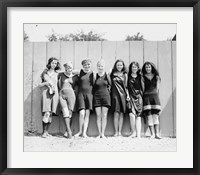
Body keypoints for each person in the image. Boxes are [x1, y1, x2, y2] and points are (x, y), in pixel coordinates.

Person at [39, 57, 61, 138]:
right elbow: (39, 85)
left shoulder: (57, 73)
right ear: (49, 63)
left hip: (54, 94)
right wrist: (46, 83)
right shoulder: (45, 73)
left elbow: (70, 72)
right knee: (46, 112)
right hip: (46, 94)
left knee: (51, 113)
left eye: (55, 63)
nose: (54, 64)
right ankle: (44, 132)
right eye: (52, 63)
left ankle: (47, 132)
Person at [74, 58, 94, 138]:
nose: (87, 66)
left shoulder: (93, 73)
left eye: (88, 64)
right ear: (83, 65)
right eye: (85, 65)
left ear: (90, 65)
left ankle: (84, 133)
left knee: (87, 114)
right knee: (82, 113)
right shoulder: (80, 72)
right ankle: (80, 131)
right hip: (81, 95)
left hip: (89, 95)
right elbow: (70, 71)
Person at [58, 61, 78, 139]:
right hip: (62, 94)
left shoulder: (75, 77)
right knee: (65, 113)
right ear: (65, 68)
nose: (69, 69)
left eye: (71, 68)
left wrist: (72, 71)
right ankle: (69, 132)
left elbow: (80, 72)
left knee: (70, 113)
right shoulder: (61, 75)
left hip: (71, 95)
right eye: (68, 67)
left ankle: (67, 131)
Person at [141, 61, 161, 139]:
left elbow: (157, 88)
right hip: (146, 98)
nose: (148, 68)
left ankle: (157, 134)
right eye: (146, 67)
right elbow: (143, 89)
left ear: (152, 67)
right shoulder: (143, 77)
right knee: (149, 116)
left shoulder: (156, 76)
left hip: (155, 97)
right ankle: (152, 134)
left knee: (155, 116)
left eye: (149, 67)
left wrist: (156, 96)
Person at [110, 59, 129, 137]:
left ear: (123, 66)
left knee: (121, 114)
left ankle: (120, 132)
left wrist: (127, 95)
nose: (119, 66)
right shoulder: (112, 74)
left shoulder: (125, 75)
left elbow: (126, 86)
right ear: (115, 65)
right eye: (118, 65)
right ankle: (115, 132)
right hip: (114, 95)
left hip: (122, 95)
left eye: (121, 65)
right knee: (115, 113)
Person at [93, 60, 111, 138]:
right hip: (97, 97)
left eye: (102, 66)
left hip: (105, 97)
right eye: (99, 66)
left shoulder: (107, 75)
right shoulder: (95, 75)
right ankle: (99, 133)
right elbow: (93, 86)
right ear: (97, 67)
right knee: (98, 115)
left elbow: (110, 85)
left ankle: (103, 134)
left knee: (104, 115)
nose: (100, 67)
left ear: (104, 67)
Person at [127, 61, 143, 138]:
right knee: (131, 115)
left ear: (137, 68)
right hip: (130, 97)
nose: (134, 68)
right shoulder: (128, 76)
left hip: (138, 97)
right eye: (133, 67)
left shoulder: (140, 76)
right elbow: (126, 87)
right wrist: (127, 95)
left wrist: (142, 96)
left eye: (135, 67)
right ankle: (133, 132)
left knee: (138, 116)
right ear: (131, 68)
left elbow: (143, 88)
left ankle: (138, 134)